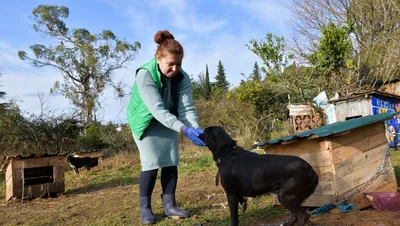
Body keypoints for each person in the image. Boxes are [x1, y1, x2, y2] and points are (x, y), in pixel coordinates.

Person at [127, 30, 206, 224]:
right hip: (145, 121)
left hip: (169, 119)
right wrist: (184, 129)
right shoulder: (145, 74)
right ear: (158, 58)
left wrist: (195, 127)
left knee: (171, 160)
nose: (175, 68)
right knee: (151, 162)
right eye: (170, 64)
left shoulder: (183, 78)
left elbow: (186, 108)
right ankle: (145, 207)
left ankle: (169, 204)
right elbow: (157, 110)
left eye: (178, 64)